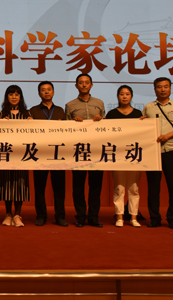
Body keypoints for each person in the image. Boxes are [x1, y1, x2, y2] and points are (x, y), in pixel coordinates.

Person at [143, 77, 173, 230]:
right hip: (153, 152)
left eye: (166, 86)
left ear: (170, 88)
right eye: (159, 87)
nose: (163, 89)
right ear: (154, 89)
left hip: (171, 150)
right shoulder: (148, 107)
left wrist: (168, 136)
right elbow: (143, 126)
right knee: (153, 188)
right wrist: (141, 122)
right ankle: (154, 218)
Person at [65, 73, 106, 228]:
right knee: (78, 186)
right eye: (81, 83)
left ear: (91, 85)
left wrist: (100, 120)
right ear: (76, 86)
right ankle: (81, 216)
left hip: (96, 149)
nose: (84, 85)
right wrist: (73, 122)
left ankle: (94, 217)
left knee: (95, 186)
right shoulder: (70, 105)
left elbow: (106, 126)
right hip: (78, 150)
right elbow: (65, 129)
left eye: (86, 82)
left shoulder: (99, 103)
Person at [29, 81, 68, 227]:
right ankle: (41, 216)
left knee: (59, 188)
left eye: (49, 90)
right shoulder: (32, 111)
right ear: (39, 93)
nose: (46, 92)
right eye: (43, 90)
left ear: (53, 92)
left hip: (58, 154)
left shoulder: (60, 111)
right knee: (39, 188)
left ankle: (60, 216)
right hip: (39, 154)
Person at [105, 85, 143, 227]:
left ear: (131, 96)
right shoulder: (111, 114)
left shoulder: (138, 114)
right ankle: (119, 216)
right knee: (119, 188)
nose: (124, 96)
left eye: (127, 94)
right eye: (122, 94)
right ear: (117, 96)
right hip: (118, 155)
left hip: (134, 155)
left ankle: (134, 217)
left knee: (134, 188)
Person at [0, 86, 32, 227]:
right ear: (7, 97)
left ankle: (17, 214)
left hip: (22, 154)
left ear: (20, 97)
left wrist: (32, 124)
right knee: (6, 183)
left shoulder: (27, 114)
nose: (14, 97)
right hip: (6, 153)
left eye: (17, 94)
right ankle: (8, 214)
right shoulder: (1, 114)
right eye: (11, 94)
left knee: (20, 184)